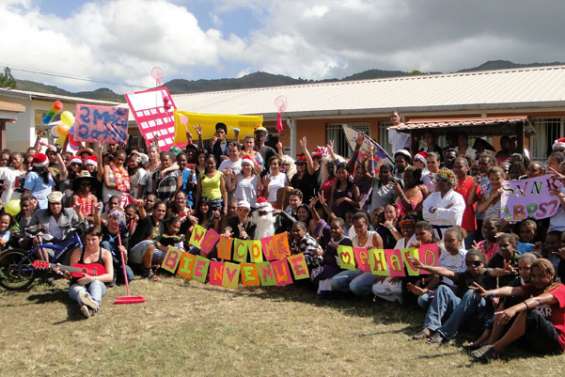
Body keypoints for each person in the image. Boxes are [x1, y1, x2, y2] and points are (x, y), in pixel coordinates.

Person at [471, 258, 565, 361]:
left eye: (541, 276)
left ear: (551, 275)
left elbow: (537, 300)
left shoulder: (560, 289)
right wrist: (489, 293)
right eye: (533, 276)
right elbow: (512, 290)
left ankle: (495, 349)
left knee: (529, 312)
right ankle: (491, 342)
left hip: (555, 342)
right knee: (508, 300)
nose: (537, 280)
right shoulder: (534, 287)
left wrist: (514, 309)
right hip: (535, 339)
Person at [64, 227, 113, 318]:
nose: (90, 243)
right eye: (87, 239)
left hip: (98, 284)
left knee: (96, 284)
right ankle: (91, 307)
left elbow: (110, 276)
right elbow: (71, 273)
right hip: (78, 284)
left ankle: (89, 305)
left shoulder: (106, 254)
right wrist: (66, 273)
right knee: (80, 291)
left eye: (93, 240)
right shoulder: (78, 252)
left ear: (100, 238)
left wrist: (91, 278)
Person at [422, 168, 466, 239]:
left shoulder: (457, 197)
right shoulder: (432, 196)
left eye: (443, 180)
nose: (439, 182)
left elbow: (454, 216)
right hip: (434, 235)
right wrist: (445, 210)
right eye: (438, 180)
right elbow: (425, 215)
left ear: (450, 183)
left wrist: (436, 211)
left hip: (452, 235)